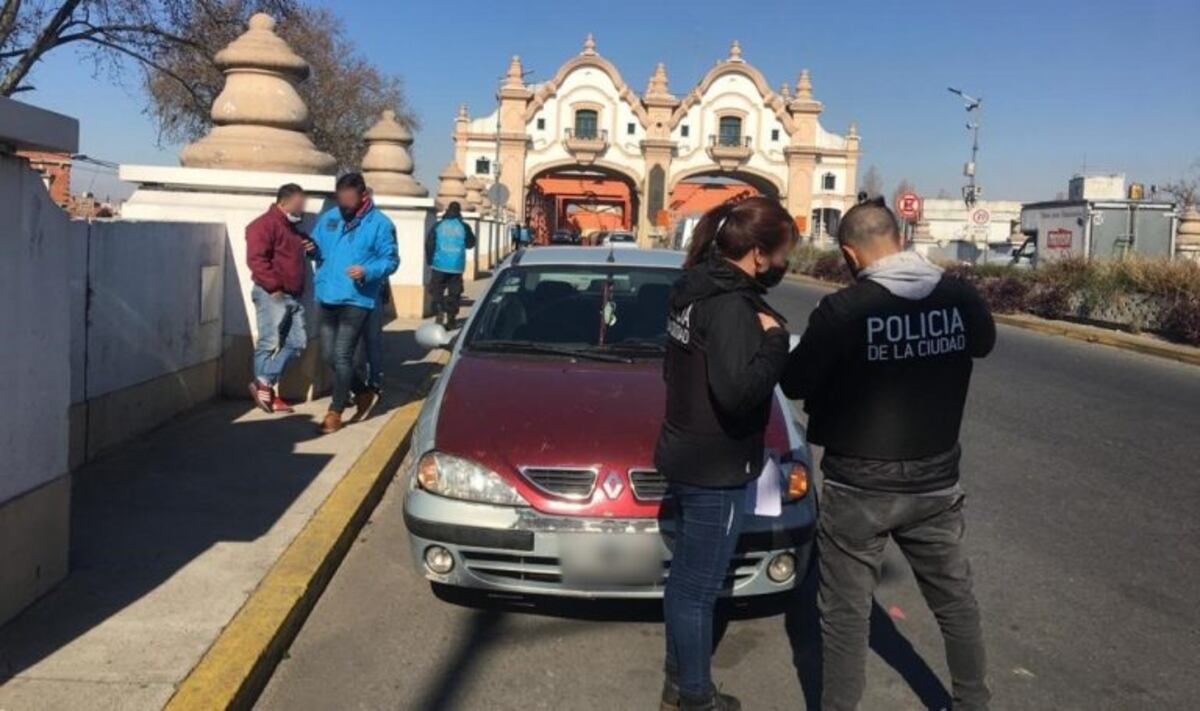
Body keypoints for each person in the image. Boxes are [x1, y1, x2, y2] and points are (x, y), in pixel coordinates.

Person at [781, 198, 995, 711]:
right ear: (900, 239)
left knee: (845, 613)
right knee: (955, 601)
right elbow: (983, 344)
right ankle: (973, 703)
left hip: (858, 485)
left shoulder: (843, 310)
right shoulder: (959, 295)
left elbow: (794, 382)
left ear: (851, 254)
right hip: (936, 480)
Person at [655, 196, 797, 711]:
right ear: (758, 253)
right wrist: (776, 343)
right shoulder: (733, 307)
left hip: (684, 451)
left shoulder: (692, 288)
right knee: (698, 589)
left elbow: (673, 368)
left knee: (684, 582)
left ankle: (678, 683)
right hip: (715, 466)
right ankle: (697, 697)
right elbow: (738, 393)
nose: (783, 263)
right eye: (782, 253)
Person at [309, 173, 399, 434]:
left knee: (342, 354)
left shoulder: (381, 224)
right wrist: (310, 249)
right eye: (341, 198)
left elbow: (391, 260)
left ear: (363, 196)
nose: (344, 204)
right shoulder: (330, 217)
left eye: (349, 198)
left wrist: (367, 271)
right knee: (328, 356)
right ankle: (362, 391)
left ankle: (335, 411)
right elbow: (318, 247)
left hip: (358, 297)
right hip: (327, 293)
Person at [246, 183, 313, 413]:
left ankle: (263, 382)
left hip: (293, 296)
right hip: (272, 294)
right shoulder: (263, 225)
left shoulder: (292, 228)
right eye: (299, 203)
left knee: (297, 343)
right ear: (284, 203)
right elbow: (256, 259)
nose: (302, 208)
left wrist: (311, 246)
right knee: (268, 343)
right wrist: (273, 287)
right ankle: (267, 395)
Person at [424, 201, 476, 329]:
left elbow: (429, 244)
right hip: (456, 266)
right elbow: (471, 243)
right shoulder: (463, 226)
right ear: (459, 212)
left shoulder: (438, 225)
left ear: (447, 211)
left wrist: (430, 261)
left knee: (437, 291)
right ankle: (451, 319)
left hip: (439, 265)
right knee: (454, 293)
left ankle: (439, 312)